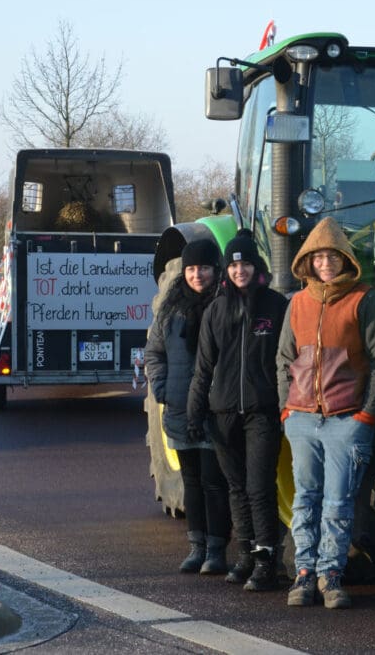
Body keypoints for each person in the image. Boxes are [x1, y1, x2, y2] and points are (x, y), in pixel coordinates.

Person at [276, 217, 375, 609]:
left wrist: (367, 415)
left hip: (347, 419)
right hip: (302, 418)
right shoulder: (297, 303)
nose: (326, 263)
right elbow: (283, 360)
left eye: (333, 256)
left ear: (346, 259)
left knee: (339, 502)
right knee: (306, 498)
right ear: (308, 262)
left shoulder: (366, 300)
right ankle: (304, 573)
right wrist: (286, 411)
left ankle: (331, 574)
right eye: (319, 257)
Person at [187, 230, 287, 592]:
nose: (239, 270)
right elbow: (204, 367)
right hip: (223, 412)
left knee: (259, 487)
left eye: (245, 263)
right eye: (233, 264)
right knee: (236, 489)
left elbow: (287, 361)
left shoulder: (276, 306)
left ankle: (266, 561)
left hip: (263, 411)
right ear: (226, 270)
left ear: (256, 265)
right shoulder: (216, 309)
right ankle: (244, 555)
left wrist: (285, 404)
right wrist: (195, 412)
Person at [144, 239, 232, 575]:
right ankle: (196, 547)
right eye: (192, 269)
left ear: (215, 270)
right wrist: (163, 387)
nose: (197, 275)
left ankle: (216, 550)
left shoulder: (224, 306)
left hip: (213, 409)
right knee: (192, 481)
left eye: (204, 268)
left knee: (214, 481)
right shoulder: (172, 308)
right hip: (180, 407)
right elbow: (154, 352)